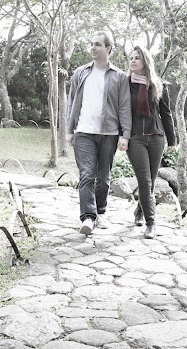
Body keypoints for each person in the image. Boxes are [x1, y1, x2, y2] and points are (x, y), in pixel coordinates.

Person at [66, 31, 132, 235]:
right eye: (92, 44)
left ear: (108, 49)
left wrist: (125, 135)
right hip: (83, 132)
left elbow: (124, 107)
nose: (93, 48)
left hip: (109, 133)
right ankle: (88, 217)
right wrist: (69, 130)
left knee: (103, 177)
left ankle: (100, 211)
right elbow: (72, 103)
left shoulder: (119, 77)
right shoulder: (80, 73)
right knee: (87, 174)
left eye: (97, 44)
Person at [126, 46, 176, 239]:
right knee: (145, 181)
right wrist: (121, 136)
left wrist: (171, 139)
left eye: (137, 58)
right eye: (131, 58)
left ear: (145, 61)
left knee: (151, 182)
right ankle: (151, 223)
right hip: (135, 138)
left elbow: (165, 113)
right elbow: (121, 111)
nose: (133, 61)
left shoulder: (158, 84)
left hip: (156, 137)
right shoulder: (125, 84)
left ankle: (139, 211)